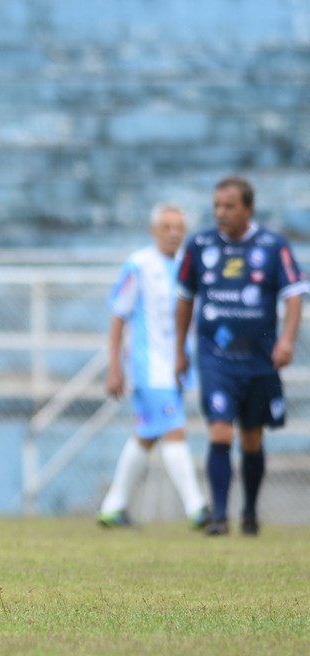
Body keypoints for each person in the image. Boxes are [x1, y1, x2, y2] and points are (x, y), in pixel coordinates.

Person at [175, 176, 309, 536]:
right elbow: (184, 298)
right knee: (219, 430)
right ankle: (219, 516)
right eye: (217, 205)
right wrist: (180, 352)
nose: (221, 212)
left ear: (248, 209)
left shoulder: (272, 245)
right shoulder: (199, 245)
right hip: (215, 356)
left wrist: (286, 341)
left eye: (230, 206)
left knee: (252, 437)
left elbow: (294, 294)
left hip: (259, 358)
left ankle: (249, 510)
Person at [97, 204, 211, 530]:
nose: (174, 233)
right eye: (167, 227)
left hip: (176, 367)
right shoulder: (139, 265)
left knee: (146, 435)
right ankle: (197, 509)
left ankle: (112, 506)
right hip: (149, 367)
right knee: (174, 429)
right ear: (153, 231)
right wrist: (114, 366)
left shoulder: (186, 266)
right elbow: (119, 314)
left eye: (179, 227)